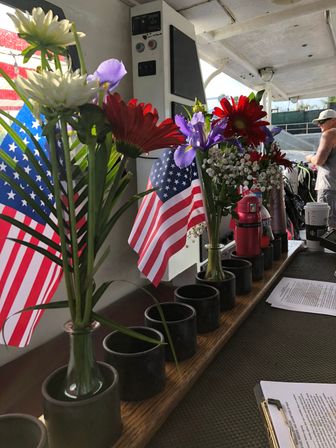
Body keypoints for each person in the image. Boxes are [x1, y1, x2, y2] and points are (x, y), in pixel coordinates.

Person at [306, 109, 336, 228]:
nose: (320, 125)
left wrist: (309, 157)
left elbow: (319, 160)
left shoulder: (330, 134)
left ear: (334, 121)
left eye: (322, 121)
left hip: (329, 187)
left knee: (329, 228)